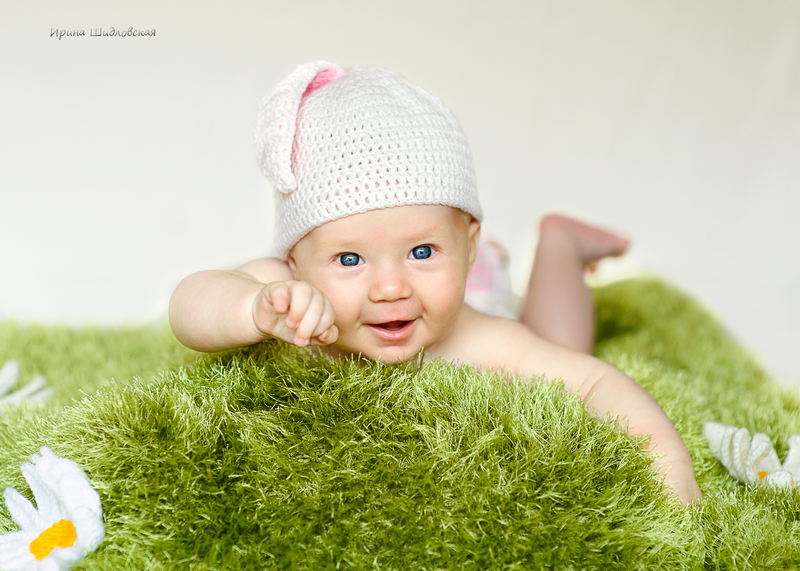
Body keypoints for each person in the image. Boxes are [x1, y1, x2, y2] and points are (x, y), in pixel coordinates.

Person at [169, 61, 702, 505]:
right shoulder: (286, 298)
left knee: (561, 348)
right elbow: (189, 306)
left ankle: (559, 246)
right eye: (349, 259)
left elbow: (595, 384)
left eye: (422, 252)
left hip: (486, 295)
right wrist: (251, 307)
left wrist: (673, 474)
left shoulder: (478, 338)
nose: (390, 289)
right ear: (294, 260)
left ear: (468, 245)